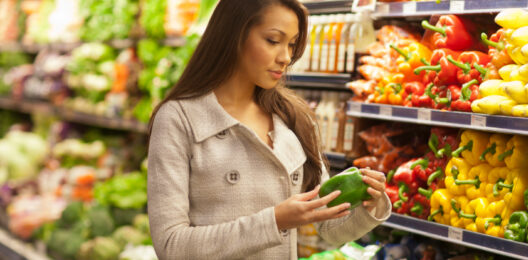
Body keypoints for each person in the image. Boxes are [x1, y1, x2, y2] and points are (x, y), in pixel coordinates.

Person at [146, 0, 392, 259]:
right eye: (273, 41)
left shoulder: (292, 117)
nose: (285, 57)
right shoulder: (179, 119)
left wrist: (368, 203)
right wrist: (274, 221)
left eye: (292, 44)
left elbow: (328, 228)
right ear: (234, 34)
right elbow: (171, 245)